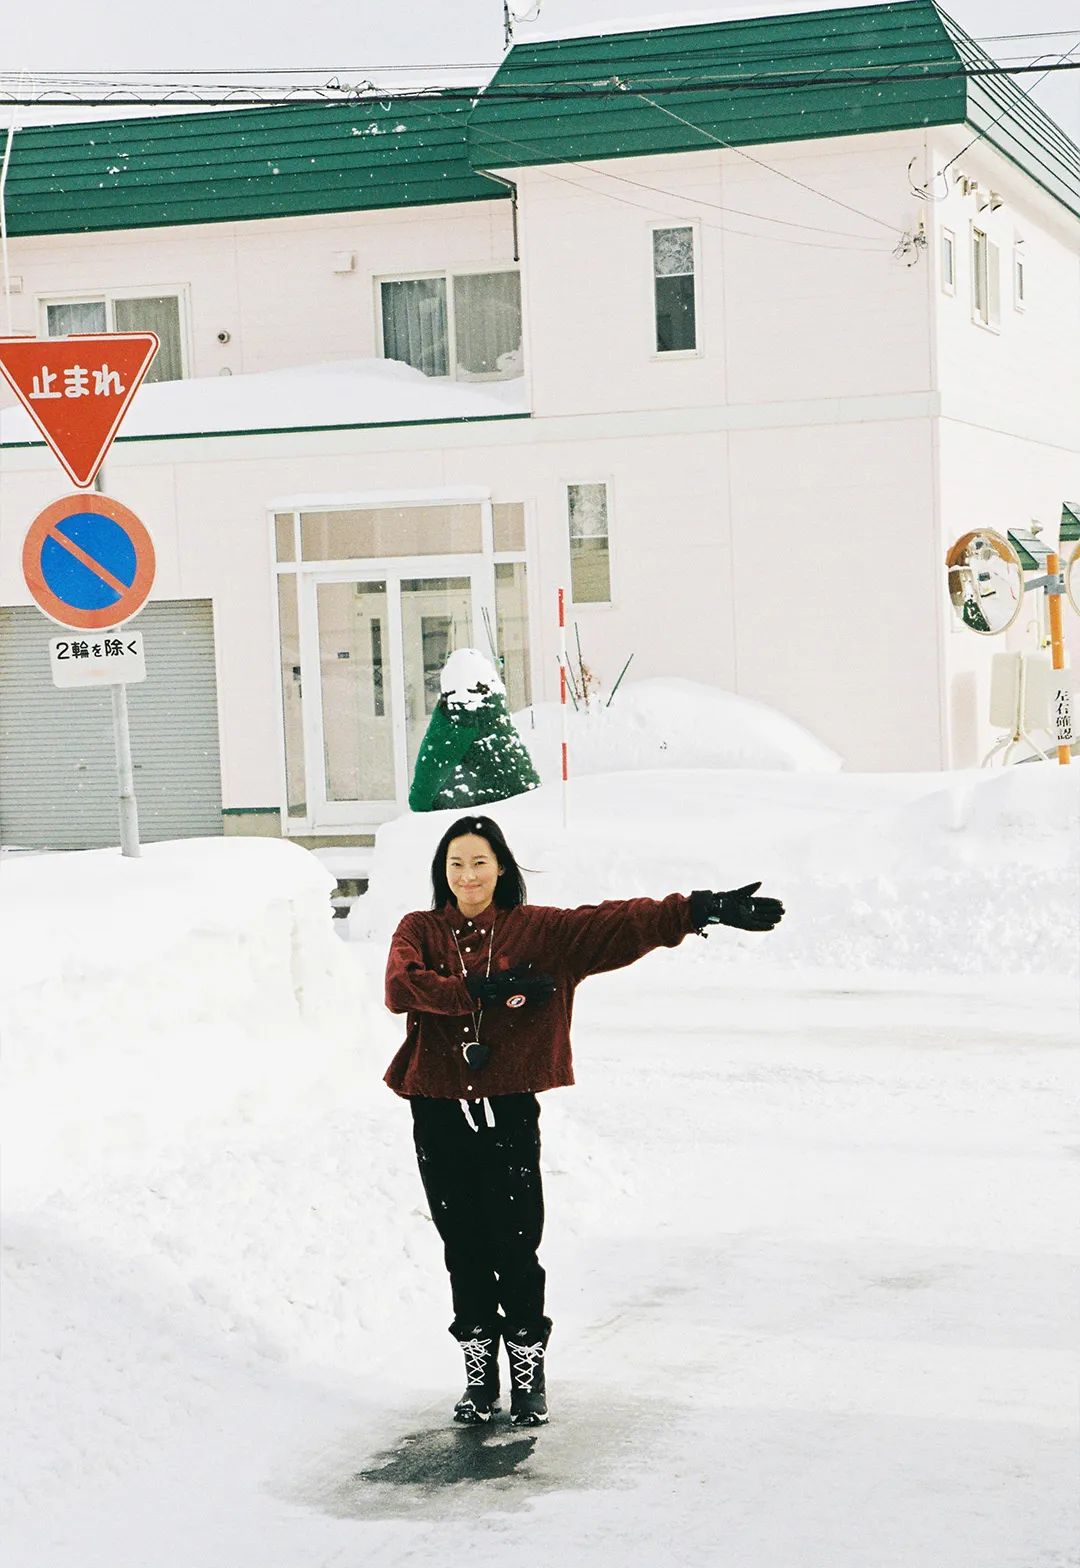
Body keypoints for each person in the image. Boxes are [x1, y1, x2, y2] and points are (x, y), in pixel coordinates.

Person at [384, 813, 784, 1428]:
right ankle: (478, 1379)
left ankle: (528, 1374)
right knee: (462, 1246)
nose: (467, 875)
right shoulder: (419, 928)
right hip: (436, 1109)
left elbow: (618, 921)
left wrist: (699, 908)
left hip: (509, 1109)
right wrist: (479, 991)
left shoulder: (541, 932)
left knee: (517, 1244)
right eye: (456, 863)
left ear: (502, 868)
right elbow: (402, 986)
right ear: (443, 870)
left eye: (479, 862)